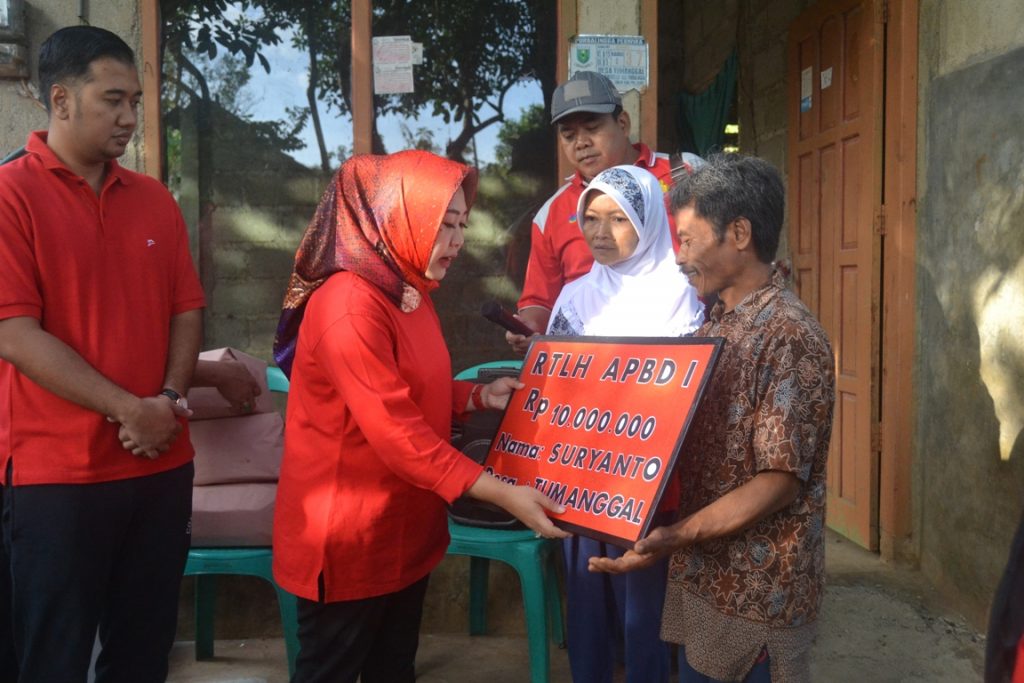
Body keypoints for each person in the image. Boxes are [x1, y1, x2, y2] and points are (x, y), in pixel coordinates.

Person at [270, 150, 569, 683]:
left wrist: (475, 397)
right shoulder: (349, 307)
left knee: (393, 668)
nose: (457, 241)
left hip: (403, 528)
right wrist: (503, 493)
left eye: (461, 225)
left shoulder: (406, 289)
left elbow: (410, 387)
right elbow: (395, 432)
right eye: (443, 226)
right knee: (332, 670)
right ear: (396, 221)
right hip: (348, 539)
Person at [0, 25, 205, 683]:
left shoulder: (154, 200)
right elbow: (14, 332)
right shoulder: (10, 195)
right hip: (55, 478)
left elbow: (186, 309)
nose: (128, 116)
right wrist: (130, 408)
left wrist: (169, 400)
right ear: (60, 100)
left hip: (159, 467)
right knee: (51, 658)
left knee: (144, 654)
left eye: (135, 100)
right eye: (113, 99)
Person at [590, 154, 836, 683]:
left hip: (757, 597)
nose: (678, 257)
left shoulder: (788, 335)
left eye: (688, 239)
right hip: (709, 578)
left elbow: (779, 481)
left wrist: (677, 535)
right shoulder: (718, 325)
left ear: (739, 233)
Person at [548, 164, 703, 683]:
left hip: (648, 486)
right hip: (579, 480)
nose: (599, 232)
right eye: (590, 217)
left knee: (645, 617)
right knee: (587, 605)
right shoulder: (575, 297)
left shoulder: (682, 295)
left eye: (618, 218)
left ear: (649, 221)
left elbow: (683, 393)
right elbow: (553, 389)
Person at [508, 69, 702, 351]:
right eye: (568, 135)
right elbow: (539, 302)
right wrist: (528, 330)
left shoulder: (685, 174)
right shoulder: (551, 214)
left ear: (622, 123)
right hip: (593, 371)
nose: (581, 143)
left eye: (592, 128)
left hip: (685, 360)